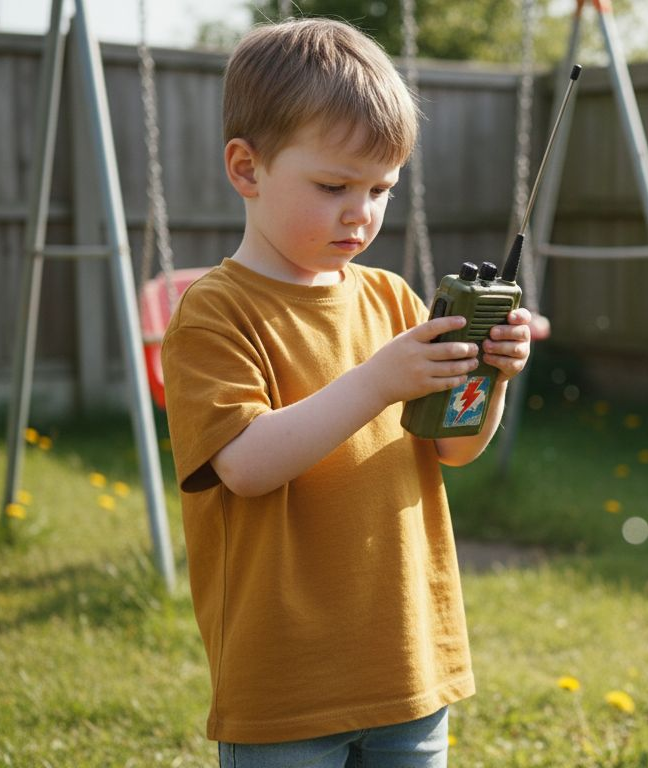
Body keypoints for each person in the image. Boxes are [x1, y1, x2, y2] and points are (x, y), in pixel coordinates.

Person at [161, 17, 531, 767]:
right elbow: (247, 464)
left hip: (407, 666)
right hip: (288, 684)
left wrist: (488, 379)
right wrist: (375, 381)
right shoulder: (216, 311)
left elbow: (453, 448)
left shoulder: (392, 299)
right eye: (333, 186)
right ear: (247, 169)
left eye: (381, 188)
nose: (361, 211)